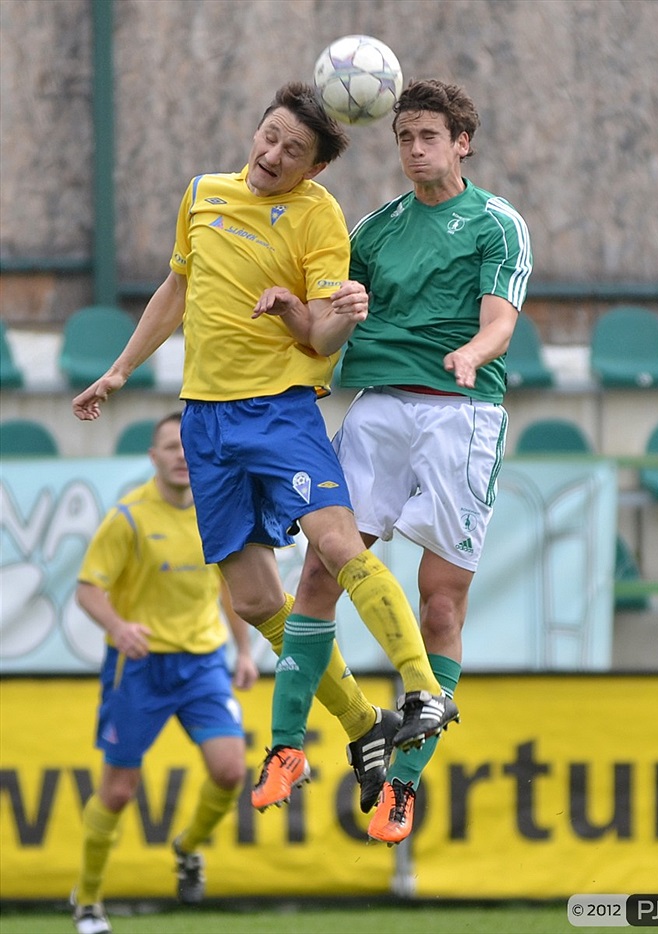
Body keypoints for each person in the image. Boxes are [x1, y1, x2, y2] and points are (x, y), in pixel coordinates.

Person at [71, 82, 458, 822]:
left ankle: (420, 688)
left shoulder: (319, 217)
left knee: (339, 545)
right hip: (206, 424)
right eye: (269, 136)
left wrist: (312, 312)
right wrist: (121, 368)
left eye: (293, 151)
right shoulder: (203, 195)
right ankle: (362, 722)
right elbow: (177, 286)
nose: (272, 155)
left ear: (313, 169)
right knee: (253, 599)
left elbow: (321, 339)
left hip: (280, 414)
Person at [291, 78, 534, 845]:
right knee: (320, 570)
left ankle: (404, 783)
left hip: (462, 413)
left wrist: (471, 350)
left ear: (462, 141)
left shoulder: (497, 223)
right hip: (380, 406)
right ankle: (316, 734)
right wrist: (314, 316)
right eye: (404, 137)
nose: (415, 148)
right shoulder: (376, 228)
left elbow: (500, 322)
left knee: (440, 604)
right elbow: (333, 314)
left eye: (428, 135)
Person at [70, 412, 259, 934]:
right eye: (168, 447)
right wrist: (118, 626)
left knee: (230, 771)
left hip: (202, 664)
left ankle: (187, 848)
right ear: (153, 457)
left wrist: (243, 652)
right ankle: (87, 901)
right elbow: (88, 588)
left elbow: (229, 587)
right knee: (119, 790)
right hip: (139, 666)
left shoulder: (215, 513)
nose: (180, 455)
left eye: (186, 446)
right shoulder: (128, 517)